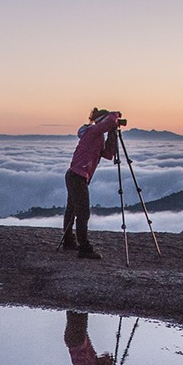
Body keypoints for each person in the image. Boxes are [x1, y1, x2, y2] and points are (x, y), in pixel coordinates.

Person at [63, 108, 122, 260]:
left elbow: (108, 155)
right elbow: (107, 122)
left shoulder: (97, 136)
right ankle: (84, 249)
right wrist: (115, 115)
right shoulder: (92, 131)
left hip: (76, 176)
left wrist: (112, 136)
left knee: (72, 209)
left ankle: (68, 241)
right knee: (83, 213)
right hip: (77, 176)